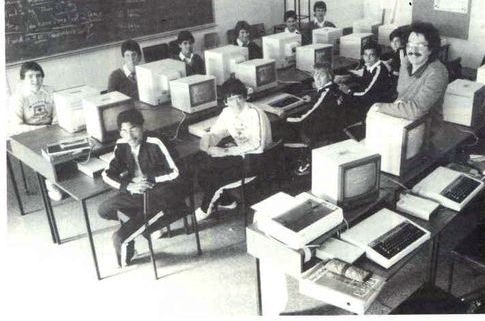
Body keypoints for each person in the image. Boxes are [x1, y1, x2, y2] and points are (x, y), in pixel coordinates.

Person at [98, 109, 187, 267]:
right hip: (136, 191)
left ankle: (123, 240)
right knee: (104, 209)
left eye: (133, 129)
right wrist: (129, 186)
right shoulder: (122, 144)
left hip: (162, 191)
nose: (130, 136)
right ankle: (148, 226)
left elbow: (177, 172)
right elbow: (106, 174)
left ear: (142, 127)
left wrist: (150, 178)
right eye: (124, 131)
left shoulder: (156, 141)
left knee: (126, 231)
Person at [194, 78, 272, 220]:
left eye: (239, 98)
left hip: (256, 159)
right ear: (225, 102)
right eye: (230, 100)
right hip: (239, 154)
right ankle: (227, 201)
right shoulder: (227, 112)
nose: (235, 104)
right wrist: (208, 138)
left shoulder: (255, 113)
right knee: (202, 170)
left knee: (217, 177)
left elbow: (257, 144)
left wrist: (225, 152)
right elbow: (217, 132)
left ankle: (205, 209)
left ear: (245, 97)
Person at [373, 21, 449, 124]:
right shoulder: (406, 61)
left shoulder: (437, 73)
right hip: (400, 119)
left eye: (420, 45)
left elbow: (415, 111)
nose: (413, 50)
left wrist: (380, 107)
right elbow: (402, 96)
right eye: (410, 44)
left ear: (431, 49)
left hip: (426, 129)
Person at [8, 61, 64, 201]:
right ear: (23, 79)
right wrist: (42, 129)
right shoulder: (18, 97)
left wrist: (56, 126)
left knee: (68, 145)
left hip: (50, 129)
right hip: (29, 135)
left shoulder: (50, 91)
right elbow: (16, 126)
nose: (35, 80)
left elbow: (59, 114)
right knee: (46, 154)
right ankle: (50, 182)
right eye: (30, 76)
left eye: (38, 76)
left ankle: (63, 179)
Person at [284, 63, 344, 175]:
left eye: (321, 75)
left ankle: (306, 162)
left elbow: (302, 119)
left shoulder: (326, 94)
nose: (317, 78)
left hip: (321, 132)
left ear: (330, 76)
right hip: (334, 127)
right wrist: (313, 98)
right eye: (315, 74)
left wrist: (285, 118)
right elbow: (321, 97)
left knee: (286, 130)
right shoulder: (334, 88)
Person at [338, 41, 396, 122]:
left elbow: (366, 94)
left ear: (378, 56)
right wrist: (348, 78)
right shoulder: (369, 65)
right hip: (369, 96)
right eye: (365, 55)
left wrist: (348, 91)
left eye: (371, 55)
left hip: (375, 103)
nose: (367, 58)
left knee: (342, 102)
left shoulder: (379, 70)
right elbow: (365, 80)